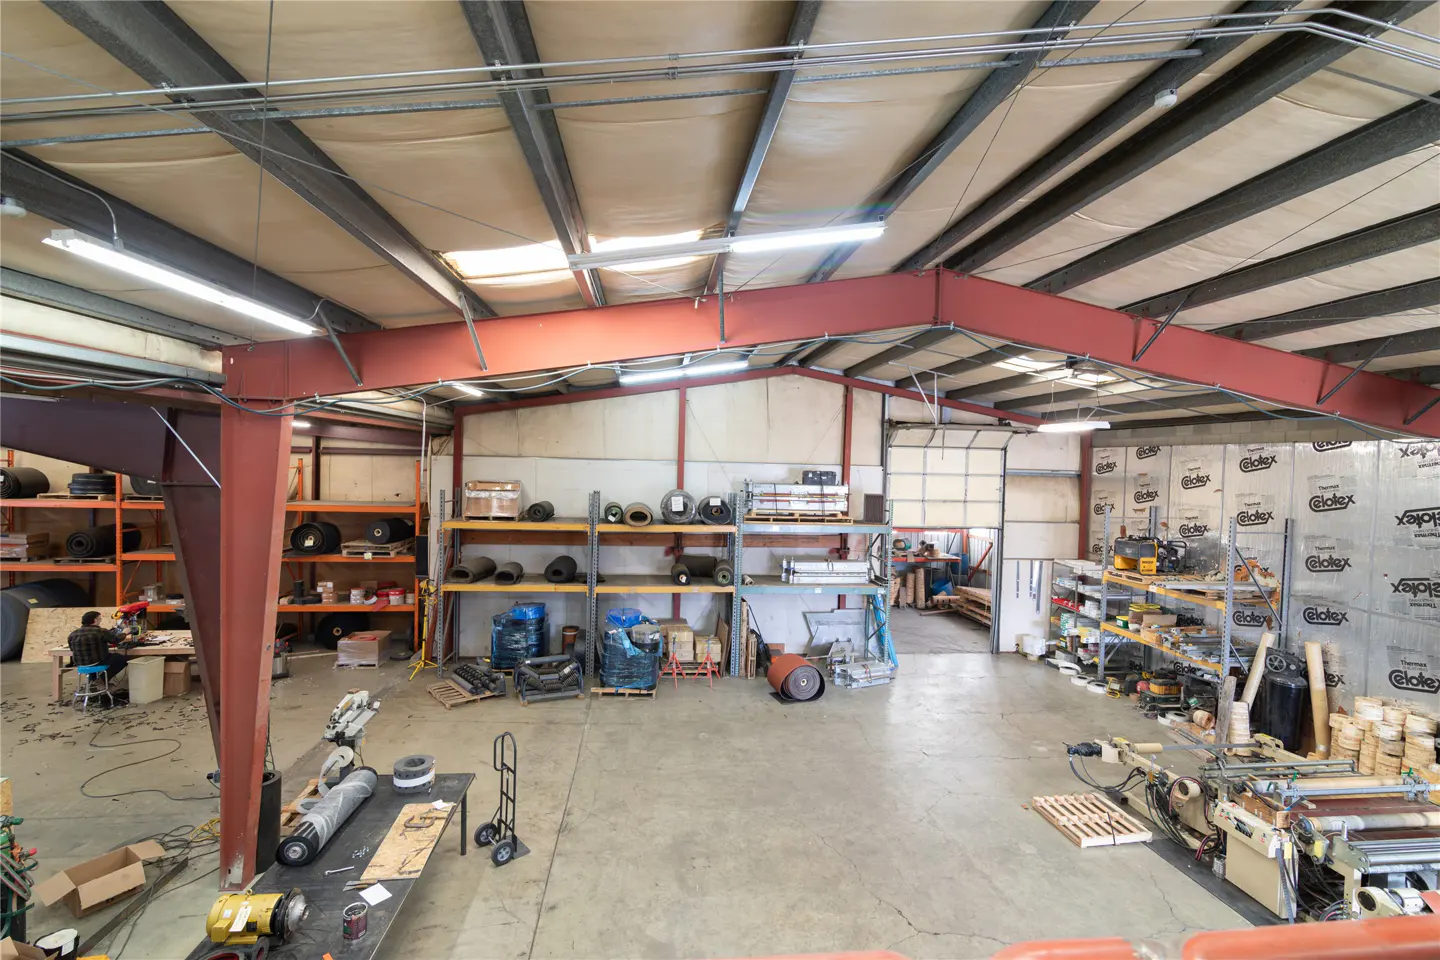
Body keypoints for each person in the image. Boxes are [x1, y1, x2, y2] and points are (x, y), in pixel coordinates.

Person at [67, 611, 128, 702]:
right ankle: (101, 680)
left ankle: (93, 681)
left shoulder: (73, 634)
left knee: (94, 660)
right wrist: (125, 633)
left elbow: (72, 649)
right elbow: (115, 640)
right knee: (121, 659)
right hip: (97, 662)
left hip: (81, 665)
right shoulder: (100, 631)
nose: (100, 620)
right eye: (99, 618)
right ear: (95, 620)